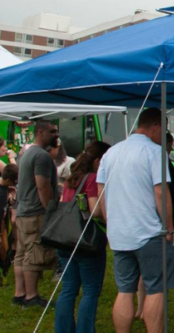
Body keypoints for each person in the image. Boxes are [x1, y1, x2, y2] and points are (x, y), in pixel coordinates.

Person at [97, 108, 174, 333]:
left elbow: (101, 194)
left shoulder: (110, 153)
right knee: (156, 289)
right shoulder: (154, 152)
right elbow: (161, 193)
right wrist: (169, 228)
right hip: (149, 232)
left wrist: (109, 222)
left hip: (120, 232)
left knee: (124, 290)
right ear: (156, 127)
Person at [54, 141, 110, 333]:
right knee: (90, 290)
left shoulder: (71, 179)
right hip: (86, 241)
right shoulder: (92, 178)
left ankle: (63, 329)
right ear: (97, 161)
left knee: (68, 288)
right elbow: (95, 210)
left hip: (65, 239)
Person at [14, 120, 60, 309]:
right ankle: (31, 297)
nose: (56, 135)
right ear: (40, 133)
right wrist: (50, 210)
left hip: (24, 211)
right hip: (35, 212)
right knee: (33, 254)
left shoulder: (27, 153)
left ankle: (19, 294)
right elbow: (42, 186)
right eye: (52, 131)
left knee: (22, 253)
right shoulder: (41, 156)